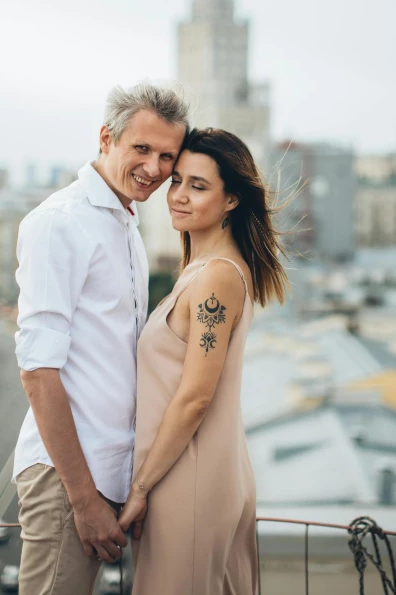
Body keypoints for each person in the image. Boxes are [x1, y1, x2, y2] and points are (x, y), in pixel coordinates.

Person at [13, 83, 189, 595]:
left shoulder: (123, 225)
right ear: (106, 138)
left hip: (107, 475)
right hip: (69, 480)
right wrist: (83, 498)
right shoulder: (59, 223)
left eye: (166, 156)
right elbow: (38, 372)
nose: (154, 168)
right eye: (142, 149)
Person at [119, 127, 290, 595]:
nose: (178, 196)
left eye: (198, 186)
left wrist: (140, 488)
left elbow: (195, 397)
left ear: (232, 200)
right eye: (177, 181)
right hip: (192, 474)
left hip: (187, 482)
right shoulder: (203, 270)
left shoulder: (217, 277)